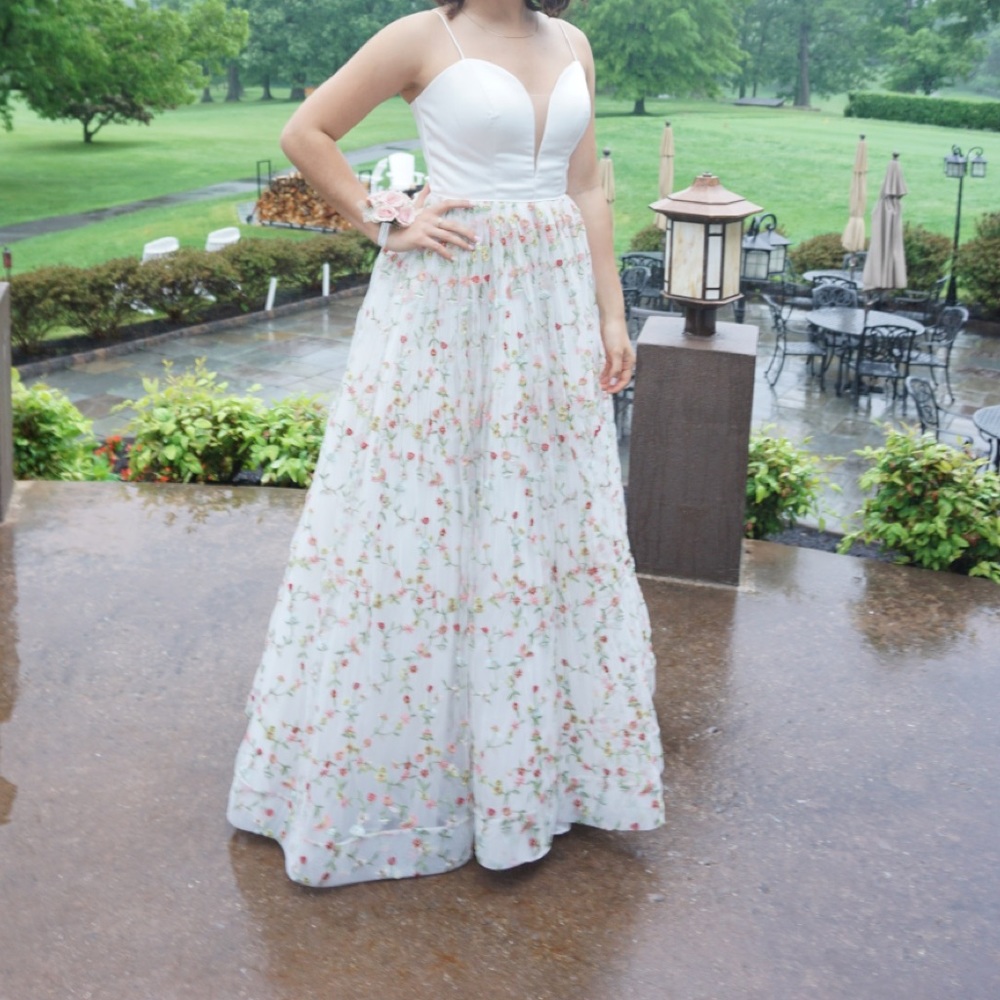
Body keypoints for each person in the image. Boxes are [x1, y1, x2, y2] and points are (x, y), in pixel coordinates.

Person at [227, 0, 665, 888]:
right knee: (418, 524)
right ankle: (403, 784)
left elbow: (586, 189)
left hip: (547, 310)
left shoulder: (572, 41)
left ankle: (529, 778)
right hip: (447, 302)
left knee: (535, 525)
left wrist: (612, 315)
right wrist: (381, 219)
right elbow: (306, 130)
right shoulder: (422, 34)